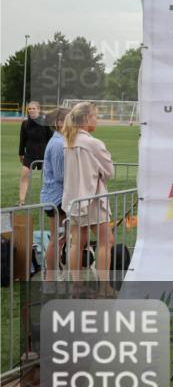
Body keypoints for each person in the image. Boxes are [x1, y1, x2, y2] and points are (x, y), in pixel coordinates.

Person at [62, 102, 115, 280]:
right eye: (95, 116)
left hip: (74, 199)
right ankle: (104, 287)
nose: (97, 120)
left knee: (77, 243)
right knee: (105, 242)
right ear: (86, 119)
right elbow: (109, 171)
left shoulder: (69, 140)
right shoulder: (92, 143)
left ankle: (77, 285)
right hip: (93, 199)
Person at [39, 107, 70, 272]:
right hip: (56, 198)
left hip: (57, 197)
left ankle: (52, 272)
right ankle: (50, 275)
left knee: (61, 238)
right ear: (59, 123)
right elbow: (60, 175)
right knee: (57, 239)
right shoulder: (58, 144)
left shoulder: (60, 141)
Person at [18, 101, 52, 205]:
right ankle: (21, 201)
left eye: (34, 108)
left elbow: (51, 138)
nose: (31, 110)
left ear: (38, 109)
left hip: (44, 153)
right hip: (29, 153)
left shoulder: (46, 122)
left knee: (48, 178)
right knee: (24, 175)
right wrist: (21, 153)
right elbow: (22, 139)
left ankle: (48, 200)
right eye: (29, 109)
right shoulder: (25, 124)